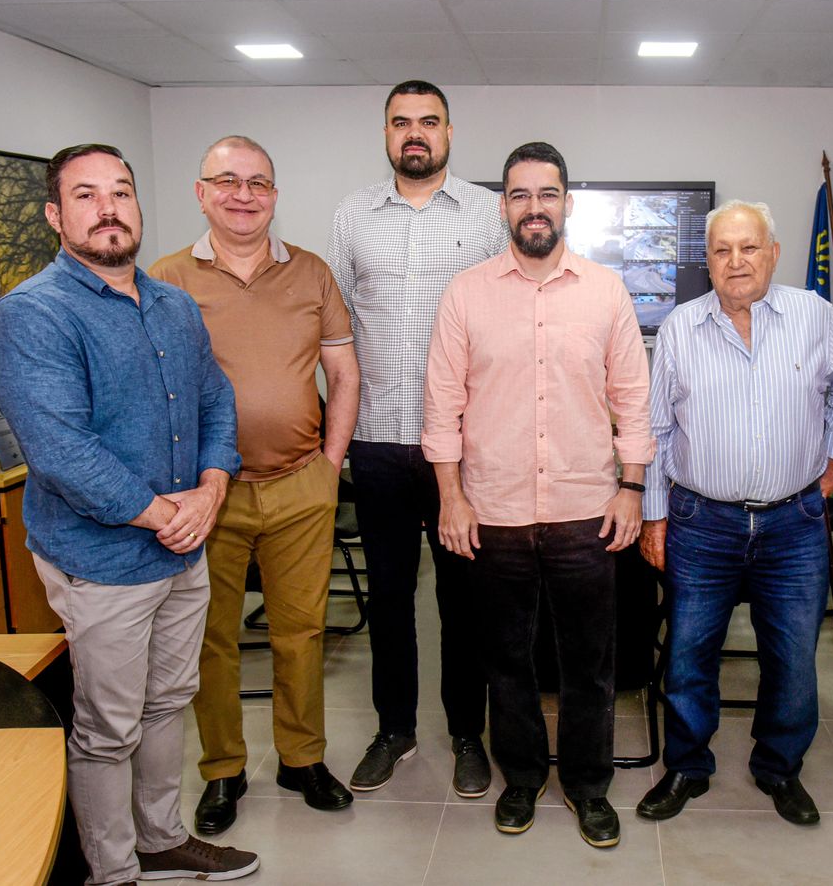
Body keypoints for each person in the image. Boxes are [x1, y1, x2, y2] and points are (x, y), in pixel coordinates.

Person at [0, 143, 258, 885]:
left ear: (138, 206)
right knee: (108, 728)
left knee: (168, 700)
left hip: (182, 545)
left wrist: (209, 490)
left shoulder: (172, 303)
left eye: (121, 192)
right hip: (103, 561)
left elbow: (214, 402)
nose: (108, 208)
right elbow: (59, 450)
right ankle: (111, 872)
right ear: (55, 214)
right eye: (86, 195)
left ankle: (161, 837)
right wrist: (164, 512)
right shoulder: (31, 315)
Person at [422, 141, 653, 848]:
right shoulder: (467, 293)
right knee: (507, 659)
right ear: (504, 207)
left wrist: (633, 488)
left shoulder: (606, 290)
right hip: (493, 512)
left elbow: (633, 399)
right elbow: (442, 406)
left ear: (566, 204)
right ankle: (520, 777)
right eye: (519, 196)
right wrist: (451, 500)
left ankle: (587, 786)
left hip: (587, 510)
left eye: (545, 194)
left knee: (590, 662)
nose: (533, 208)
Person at [150, 135, 360, 835]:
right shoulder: (166, 279)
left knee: (302, 632)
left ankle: (301, 759)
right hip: (207, 497)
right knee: (210, 637)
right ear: (201, 192)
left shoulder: (312, 274)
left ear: (275, 195)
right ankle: (222, 769)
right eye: (229, 181)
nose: (245, 194)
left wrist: (331, 464)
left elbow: (344, 371)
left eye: (259, 183)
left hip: (302, 484)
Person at [635, 199, 833, 828]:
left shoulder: (815, 317)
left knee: (792, 658)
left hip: (794, 525)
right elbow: (655, 431)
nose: (735, 261)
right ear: (707, 260)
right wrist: (654, 519)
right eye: (721, 250)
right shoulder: (681, 327)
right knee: (688, 654)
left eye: (748, 247)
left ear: (774, 252)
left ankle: (779, 769)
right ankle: (687, 766)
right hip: (699, 524)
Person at [327, 80, 507, 798]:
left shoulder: (489, 216)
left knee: (464, 601)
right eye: (401, 122)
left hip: (463, 450)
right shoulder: (352, 216)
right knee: (391, 598)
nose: (415, 134)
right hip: (378, 444)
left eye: (428, 122)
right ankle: (394, 729)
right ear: (386, 134)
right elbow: (335, 326)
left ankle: (468, 733)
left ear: (450, 133)